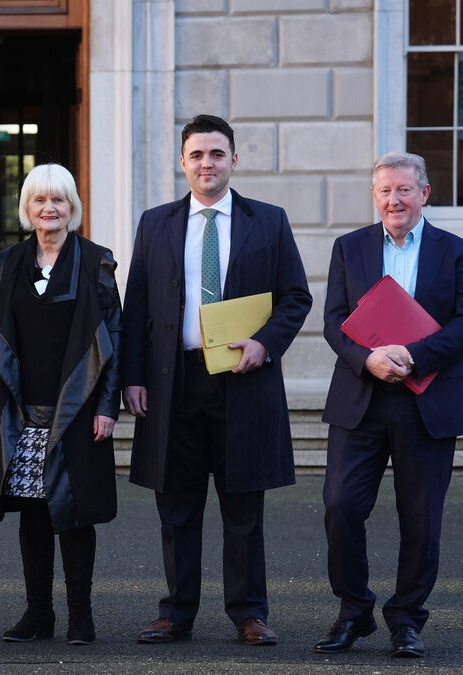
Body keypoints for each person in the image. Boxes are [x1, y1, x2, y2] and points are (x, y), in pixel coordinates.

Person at [120, 114, 311, 646]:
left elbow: (296, 296)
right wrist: (132, 377)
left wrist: (265, 343)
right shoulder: (155, 223)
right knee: (176, 507)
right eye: (198, 155)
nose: (207, 163)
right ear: (183, 162)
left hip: (242, 382)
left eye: (217, 154)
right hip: (173, 382)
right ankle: (176, 612)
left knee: (243, 506)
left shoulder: (268, 221)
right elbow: (136, 307)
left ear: (234, 160)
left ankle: (248, 613)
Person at [316, 152, 463, 659]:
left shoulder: (457, 251)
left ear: (424, 194)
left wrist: (413, 356)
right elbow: (334, 322)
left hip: (428, 402)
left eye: (405, 190)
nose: (395, 200)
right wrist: (367, 359)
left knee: (421, 520)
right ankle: (354, 611)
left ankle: (407, 619)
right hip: (361, 400)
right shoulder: (349, 248)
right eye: (386, 191)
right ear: (375, 196)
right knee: (340, 507)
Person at [0, 164, 122, 646]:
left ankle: (81, 616)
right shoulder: (5, 265)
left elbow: (114, 337)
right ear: (27, 208)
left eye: (58, 199)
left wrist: (107, 407)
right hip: (23, 412)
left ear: (72, 206)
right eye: (40, 200)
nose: (49, 209)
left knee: (76, 512)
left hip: (79, 409)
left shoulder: (96, 262)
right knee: (33, 513)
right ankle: (38, 613)